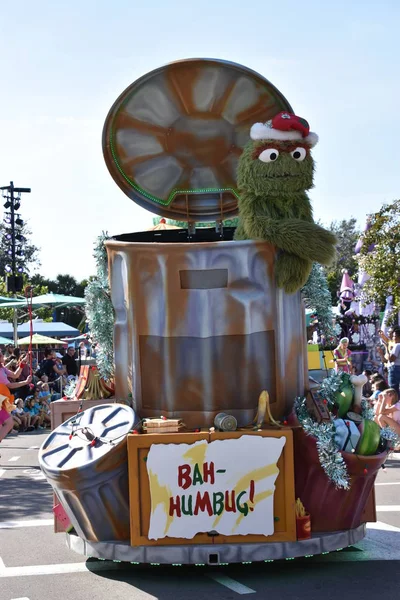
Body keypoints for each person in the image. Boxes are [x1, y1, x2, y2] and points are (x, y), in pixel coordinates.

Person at [385, 328, 400, 395]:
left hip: (395, 368)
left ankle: (395, 403)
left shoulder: (397, 345)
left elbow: (391, 358)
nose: (393, 338)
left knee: (393, 389)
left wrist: (386, 348)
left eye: (394, 336)